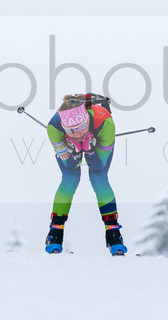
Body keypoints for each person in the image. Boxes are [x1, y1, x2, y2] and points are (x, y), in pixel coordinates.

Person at [44, 94, 127, 255]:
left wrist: (89, 152)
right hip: (69, 145)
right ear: (63, 125)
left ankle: (113, 233)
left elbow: (98, 166)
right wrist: (74, 153)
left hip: (98, 135)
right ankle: (55, 232)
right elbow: (70, 165)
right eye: (71, 130)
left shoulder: (105, 123)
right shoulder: (54, 128)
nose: (77, 133)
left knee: (98, 177)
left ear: (87, 120)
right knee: (70, 177)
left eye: (81, 127)